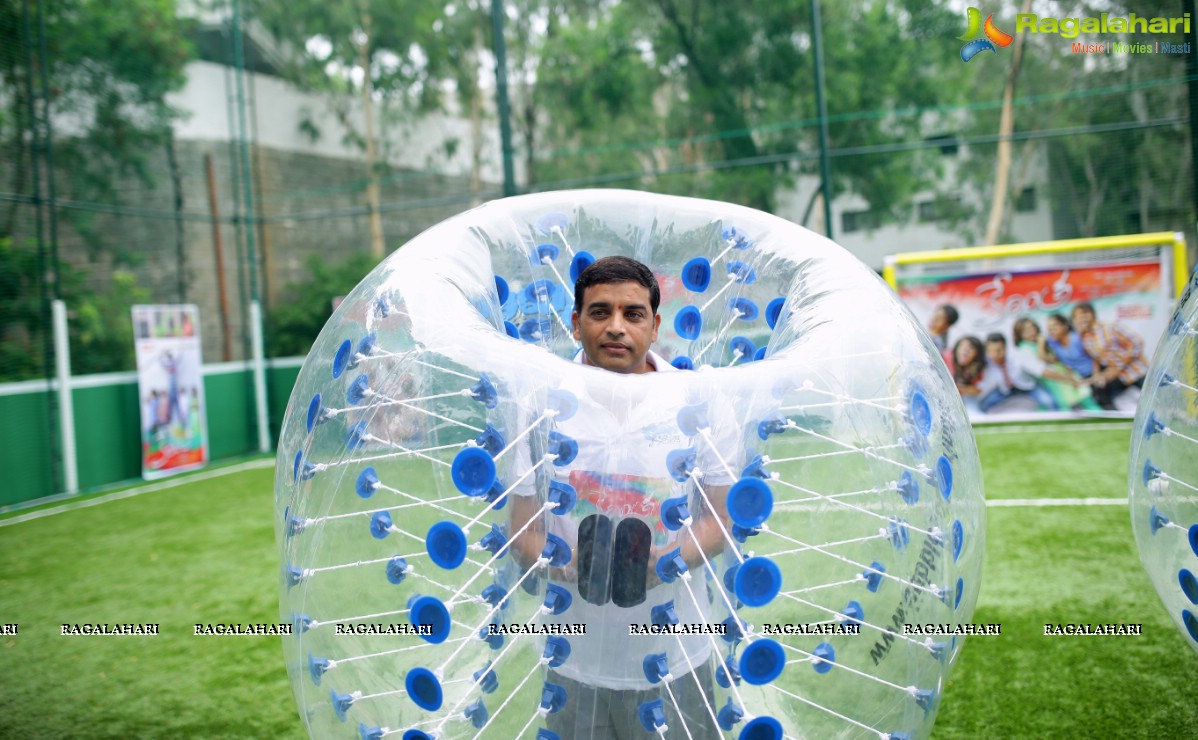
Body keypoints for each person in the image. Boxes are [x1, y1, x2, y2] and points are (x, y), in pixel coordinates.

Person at [508, 256, 737, 739]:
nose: (616, 327)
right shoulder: (541, 405)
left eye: (633, 314)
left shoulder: (699, 400)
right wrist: (566, 566)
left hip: (675, 656)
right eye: (599, 312)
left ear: (655, 327)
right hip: (573, 656)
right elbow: (523, 531)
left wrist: (668, 561)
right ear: (575, 323)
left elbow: (723, 520)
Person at [1071, 302, 1148, 411]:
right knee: (1110, 401)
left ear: (1092, 314)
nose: (1081, 319)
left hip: (1137, 372)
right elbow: (1096, 358)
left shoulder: (1110, 327)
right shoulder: (1085, 337)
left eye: (1084, 314)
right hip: (1119, 378)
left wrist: (1118, 366)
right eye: (1077, 317)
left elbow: (1136, 342)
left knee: (1157, 400)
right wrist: (1097, 375)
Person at [978, 332, 1080, 413]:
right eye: (990, 351)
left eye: (998, 350)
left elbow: (1043, 371)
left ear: (1005, 348)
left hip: (1027, 387)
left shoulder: (1019, 356)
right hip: (1004, 389)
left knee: (1048, 401)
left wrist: (1068, 379)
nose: (994, 355)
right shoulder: (986, 360)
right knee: (983, 405)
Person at [1012, 317, 1099, 411]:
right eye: (1025, 330)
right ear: (1020, 334)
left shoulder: (1047, 341)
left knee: (1086, 399)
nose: (1031, 332)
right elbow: (1043, 370)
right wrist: (1068, 379)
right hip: (1054, 383)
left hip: (1066, 374)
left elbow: (1056, 358)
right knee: (1064, 408)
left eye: (1031, 327)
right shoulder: (1024, 350)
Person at [948, 335, 987, 413]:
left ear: (977, 354)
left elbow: (977, 390)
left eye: (971, 348)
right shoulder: (947, 358)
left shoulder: (978, 368)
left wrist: (959, 388)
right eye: (963, 347)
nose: (965, 351)